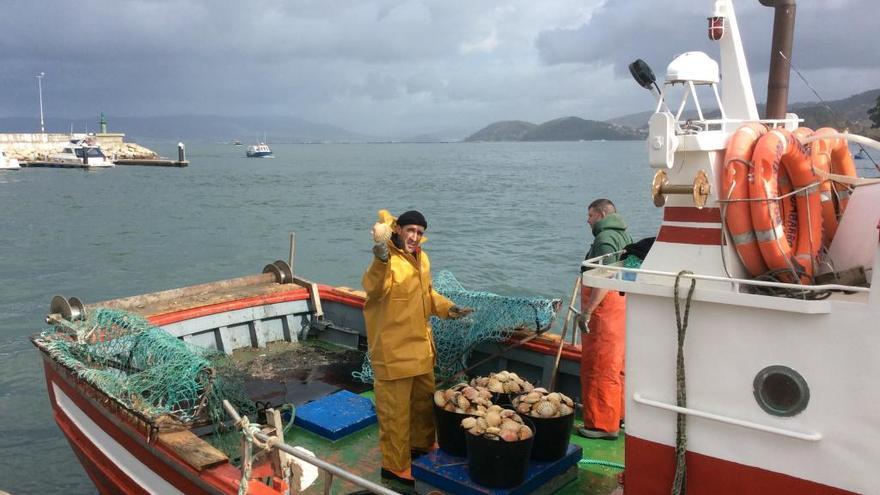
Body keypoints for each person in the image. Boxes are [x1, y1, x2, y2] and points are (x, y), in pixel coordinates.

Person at [362, 209, 472, 486]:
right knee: (395, 415)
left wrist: (450, 308)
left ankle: (422, 447)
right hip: (394, 352)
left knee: (424, 406)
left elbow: (428, 295)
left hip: (422, 349)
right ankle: (394, 466)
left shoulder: (422, 260)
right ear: (397, 229)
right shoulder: (387, 263)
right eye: (410, 230)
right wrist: (380, 257)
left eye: (420, 232)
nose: (415, 236)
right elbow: (374, 289)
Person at [576, 198, 632, 440]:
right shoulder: (625, 236)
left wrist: (587, 311)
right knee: (617, 366)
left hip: (604, 311)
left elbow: (605, 276)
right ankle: (618, 418)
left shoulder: (605, 239)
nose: (587, 220)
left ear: (600, 214)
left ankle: (601, 425)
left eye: (589, 215)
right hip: (621, 308)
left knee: (599, 366)